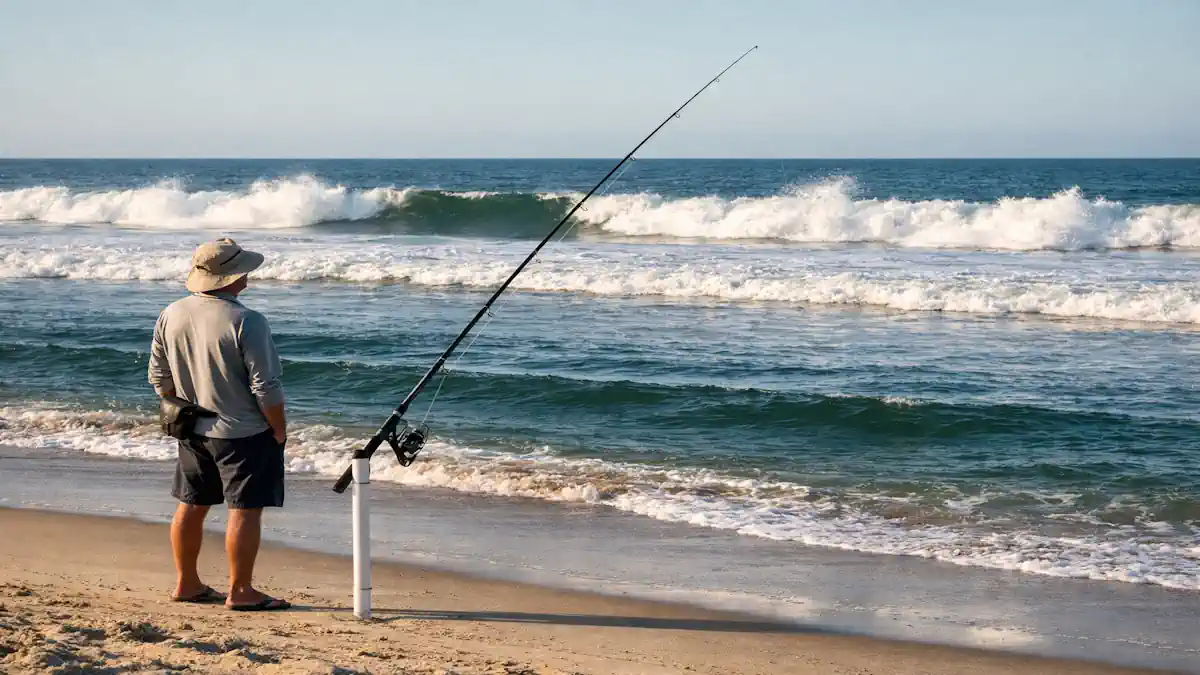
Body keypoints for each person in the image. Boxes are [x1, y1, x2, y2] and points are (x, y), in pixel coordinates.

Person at [147, 238, 291, 611]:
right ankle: (241, 591)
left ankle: (187, 583)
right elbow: (266, 386)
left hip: (192, 428)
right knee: (244, 510)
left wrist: (185, 402)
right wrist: (278, 429)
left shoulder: (172, 313)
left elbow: (159, 378)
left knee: (191, 505)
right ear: (233, 276)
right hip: (242, 432)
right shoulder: (247, 321)